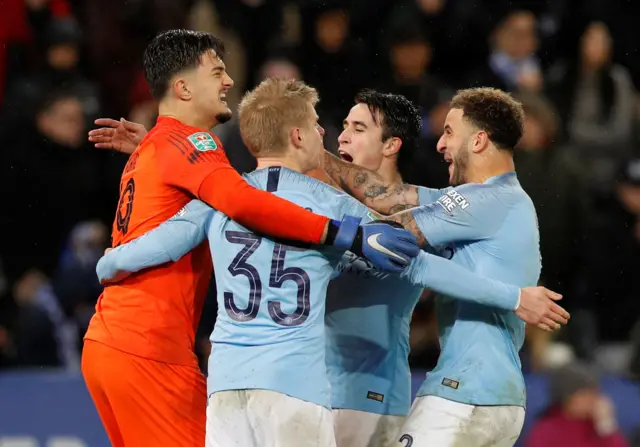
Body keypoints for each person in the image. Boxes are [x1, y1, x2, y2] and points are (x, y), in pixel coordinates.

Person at [93, 83, 568, 447]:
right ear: (298, 134)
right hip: (299, 387)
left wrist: (111, 254)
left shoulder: (223, 196)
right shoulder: (335, 214)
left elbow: (139, 252)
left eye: (355, 128)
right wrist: (514, 297)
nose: (332, 133)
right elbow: (415, 264)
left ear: (392, 146)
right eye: (324, 124)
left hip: (234, 384)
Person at [81, 30, 415, 447]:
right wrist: (341, 233)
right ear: (183, 87)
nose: (228, 82)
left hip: (109, 341)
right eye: (217, 71)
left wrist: (110, 260)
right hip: (150, 347)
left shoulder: (157, 148)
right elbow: (243, 200)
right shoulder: (193, 144)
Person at [321, 87, 553, 446]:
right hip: (492, 394)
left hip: (467, 391)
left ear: (478, 141)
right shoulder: (487, 201)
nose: (440, 145)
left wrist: (307, 170)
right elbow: (383, 196)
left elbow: (390, 239)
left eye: (448, 132)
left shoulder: (488, 201)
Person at [525, 363, 629, 447]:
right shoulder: (546, 430)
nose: (594, 399)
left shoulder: (599, 427)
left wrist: (606, 425)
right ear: (568, 398)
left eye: (595, 393)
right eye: (586, 394)